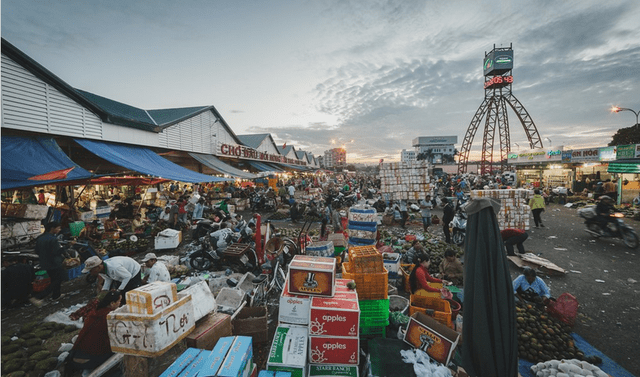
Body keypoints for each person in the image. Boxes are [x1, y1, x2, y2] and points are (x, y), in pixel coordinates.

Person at [66, 291, 121, 373]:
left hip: (74, 355)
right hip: (88, 361)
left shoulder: (94, 312)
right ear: (112, 303)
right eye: (119, 301)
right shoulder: (108, 317)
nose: (120, 303)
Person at [35, 221, 74, 301]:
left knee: (54, 279)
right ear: (52, 229)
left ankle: (56, 295)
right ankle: (39, 296)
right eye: (58, 228)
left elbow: (36, 251)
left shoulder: (40, 238)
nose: (59, 229)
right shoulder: (53, 239)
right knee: (58, 280)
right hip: (54, 263)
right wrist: (68, 246)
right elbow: (57, 252)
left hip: (45, 262)